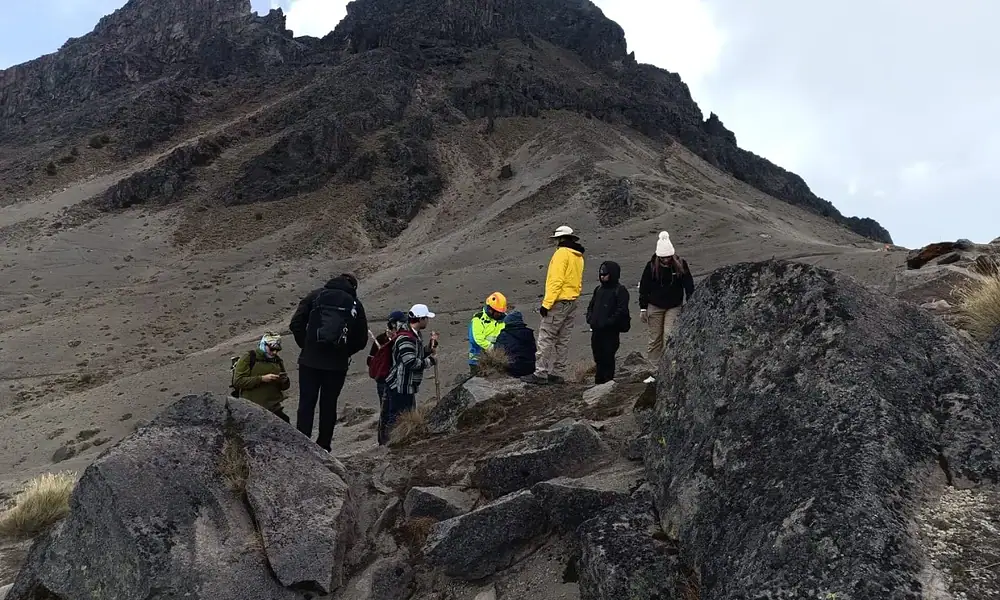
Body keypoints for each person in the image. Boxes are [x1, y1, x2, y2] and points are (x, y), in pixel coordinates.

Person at [289, 273, 369, 451]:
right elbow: (362, 339)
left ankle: (302, 444)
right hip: (336, 365)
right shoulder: (355, 304)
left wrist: (307, 345)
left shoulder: (315, 295)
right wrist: (344, 351)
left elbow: (295, 323)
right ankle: (324, 446)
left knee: (306, 403)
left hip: (310, 360)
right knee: (329, 405)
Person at [523, 225, 585, 385]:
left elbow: (556, 282)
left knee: (546, 337)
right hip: (572, 301)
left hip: (558, 302)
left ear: (560, 239)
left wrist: (546, 304)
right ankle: (558, 373)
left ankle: (540, 373)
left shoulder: (561, 255)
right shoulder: (578, 256)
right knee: (563, 339)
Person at [382, 304, 439, 443]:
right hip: (400, 385)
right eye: (426, 318)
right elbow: (411, 362)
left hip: (406, 384)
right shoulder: (406, 338)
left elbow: (415, 354)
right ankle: (390, 443)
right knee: (396, 417)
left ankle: (397, 441)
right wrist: (430, 361)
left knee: (402, 415)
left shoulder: (413, 335)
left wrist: (428, 349)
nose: (428, 321)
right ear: (420, 319)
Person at [639, 231, 694, 364]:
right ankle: (653, 368)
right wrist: (643, 308)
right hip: (655, 306)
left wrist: (691, 302)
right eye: (663, 258)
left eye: (668, 257)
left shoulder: (680, 264)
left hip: (674, 306)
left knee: (669, 336)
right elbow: (644, 288)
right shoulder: (651, 266)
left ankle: (669, 367)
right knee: (655, 339)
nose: (666, 260)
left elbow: (688, 285)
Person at [586, 261, 631, 385]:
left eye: (605, 274)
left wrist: (608, 322)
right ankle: (599, 382)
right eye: (601, 274)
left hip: (611, 331)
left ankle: (608, 382)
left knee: (608, 356)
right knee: (598, 357)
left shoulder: (620, 290)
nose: (602, 277)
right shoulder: (598, 289)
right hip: (597, 330)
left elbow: (622, 310)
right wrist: (590, 319)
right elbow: (591, 306)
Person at [367, 310, 407, 445]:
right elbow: (370, 360)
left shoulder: (396, 338)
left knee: (393, 411)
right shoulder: (383, 339)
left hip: (392, 379)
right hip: (385, 380)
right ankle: (384, 441)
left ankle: (393, 438)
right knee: (387, 411)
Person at [231, 333, 292, 421]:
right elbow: (238, 381)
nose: (274, 352)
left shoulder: (277, 361)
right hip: (252, 408)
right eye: (272, 349)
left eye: (277, 350)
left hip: (274, 408)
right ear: (264, 345)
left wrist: (284, 380)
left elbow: (285, 387)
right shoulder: (249, 357)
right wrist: (262, 379)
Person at [468, 292, 508, 375]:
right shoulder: (478, 320)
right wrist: (492, 348)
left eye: (501, 312)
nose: (500, 314)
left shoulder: (504, 319)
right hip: (478, 361)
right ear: (490, 309)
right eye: (498, 312)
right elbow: (476, 339)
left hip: (497, 359)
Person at [495, 311, 536, 378]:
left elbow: (497, 351)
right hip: (530, 368)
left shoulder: (504, 334)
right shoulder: (529, 333)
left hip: (514, 369)